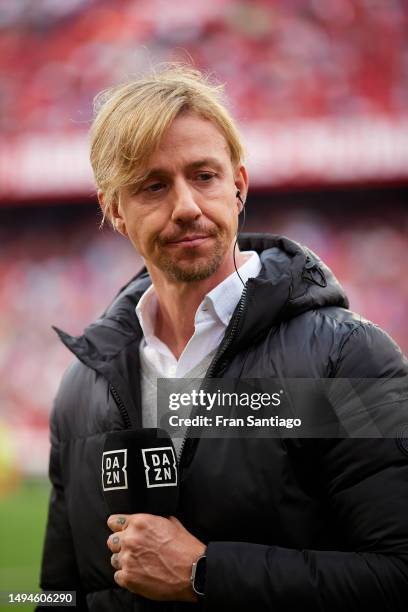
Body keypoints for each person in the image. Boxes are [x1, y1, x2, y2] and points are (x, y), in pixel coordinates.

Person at [38, 66, 408, 611]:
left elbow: (397, 575)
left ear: (239, 186)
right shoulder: (81, 389)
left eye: (204, 176)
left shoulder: (346, 357)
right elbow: (55, 597)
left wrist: (205, 574)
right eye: (153, 186)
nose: (186, 205)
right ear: (114, 210)